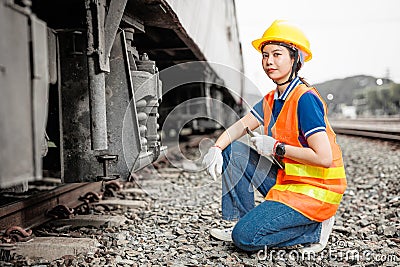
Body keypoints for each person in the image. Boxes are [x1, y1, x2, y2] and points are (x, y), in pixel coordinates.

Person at [202, 20, 347, 253]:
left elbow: (324, 158)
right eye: (265, 55)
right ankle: (244, 220)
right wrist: (216, 148)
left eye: (277, 54)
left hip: (315, 191)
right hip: (288, 181)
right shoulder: (272, 99)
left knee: (244, 239)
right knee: (233, 150)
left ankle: (315, 230)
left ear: (295, 58)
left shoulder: (305, 99)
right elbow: (240, 126)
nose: (269, 61)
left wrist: (276, 147)